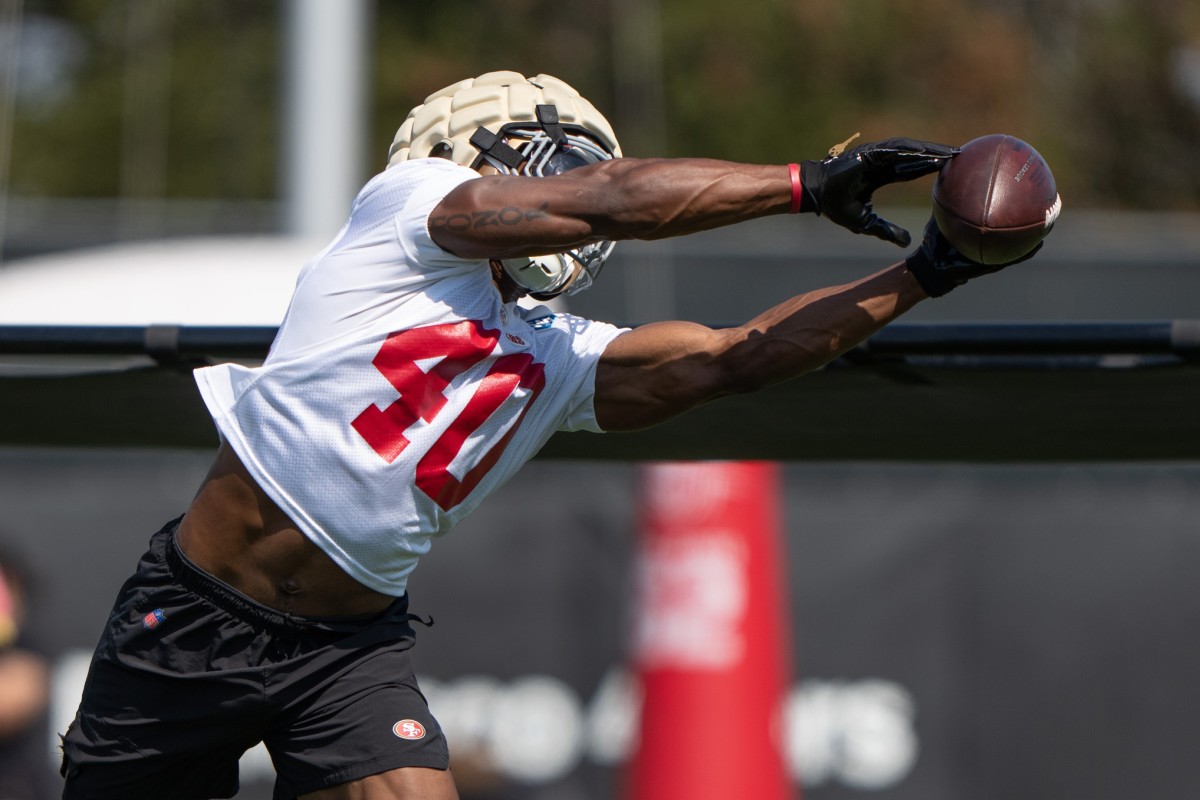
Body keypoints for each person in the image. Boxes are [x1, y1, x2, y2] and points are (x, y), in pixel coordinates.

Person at [60, 70, 1041, 799]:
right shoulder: (403, 220)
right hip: (191, 620)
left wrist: (928, 272)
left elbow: (734, 355)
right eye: (550, 161)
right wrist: (806, 180)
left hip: (347, 651)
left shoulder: (560, 353)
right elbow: (611, 200)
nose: (572, 182)